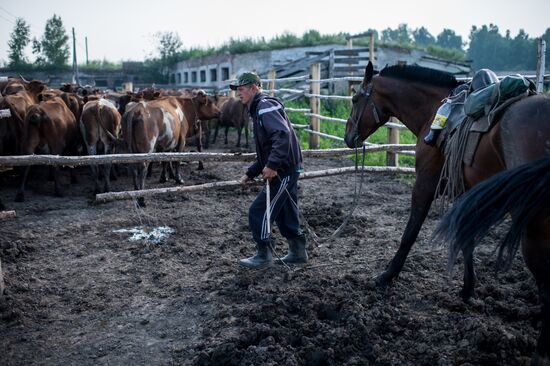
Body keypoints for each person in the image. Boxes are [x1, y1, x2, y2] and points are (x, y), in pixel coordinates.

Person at [230, 72, 308, 269]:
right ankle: (298, 252)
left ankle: (264, 254)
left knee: (258, 211)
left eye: (241, 89)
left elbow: (281, 135)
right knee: (285, 211)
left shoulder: (265, 106)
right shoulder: (259, 109)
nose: (238, 93)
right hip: (287, 167)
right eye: (237, 90)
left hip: (283, 169)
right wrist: (251, 172)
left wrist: (272, 166)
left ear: (254, 88)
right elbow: (266, 149)